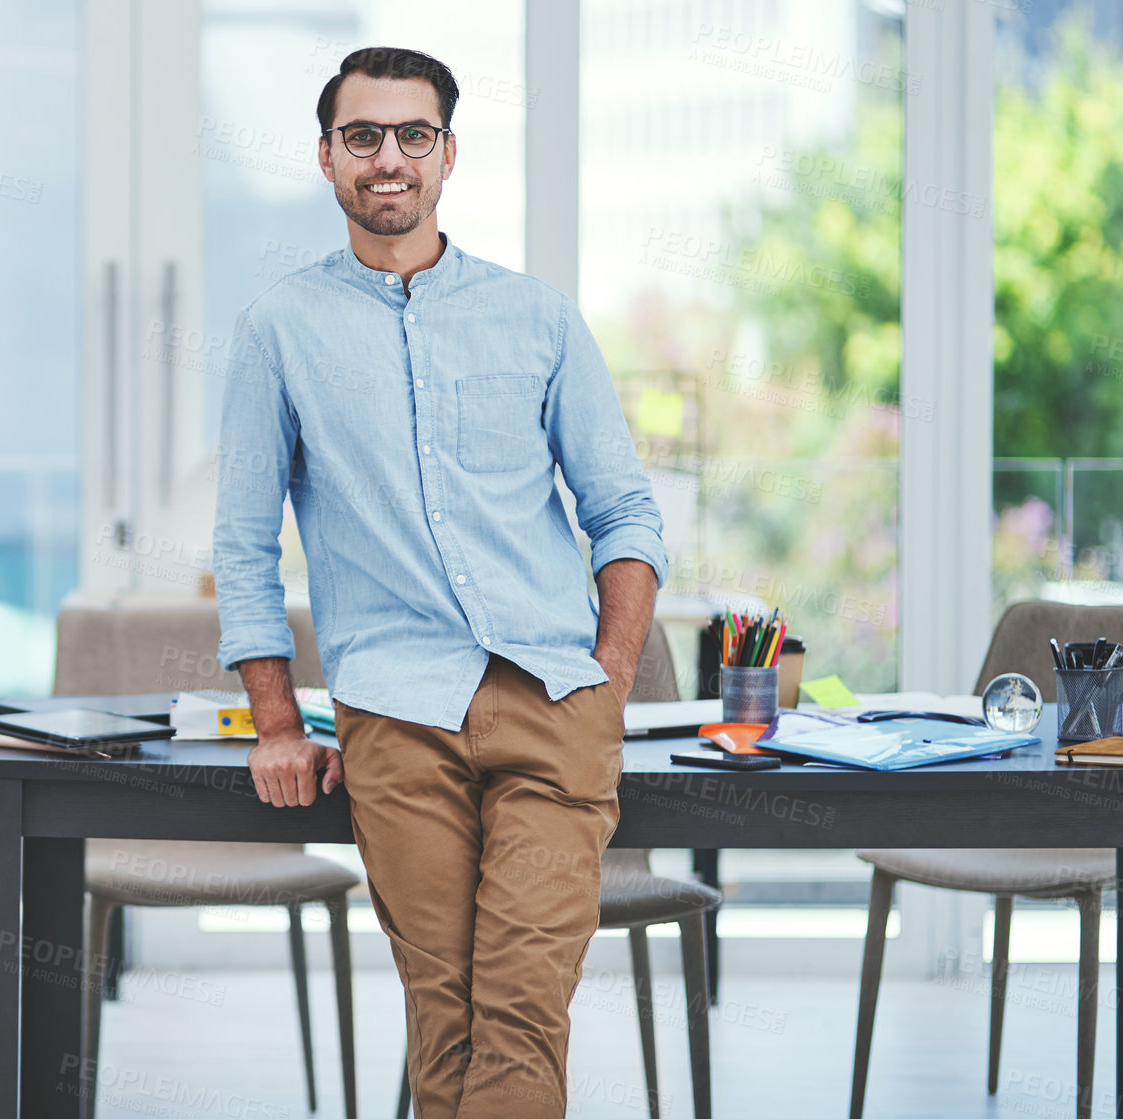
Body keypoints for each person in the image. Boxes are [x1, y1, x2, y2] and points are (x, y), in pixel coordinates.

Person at [211, 45, 668, 1118]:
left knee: (515, 1013)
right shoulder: (279, 330)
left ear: (447, 154)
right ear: (326, 158)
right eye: (362, 137)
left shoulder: (539, 318)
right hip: (396, 713)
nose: (388, 160)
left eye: (413, 136)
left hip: (555, 701)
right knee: (447, 1013)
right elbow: (243, 542)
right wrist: (277, 725)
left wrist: (607, 674)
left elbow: (625, 516)